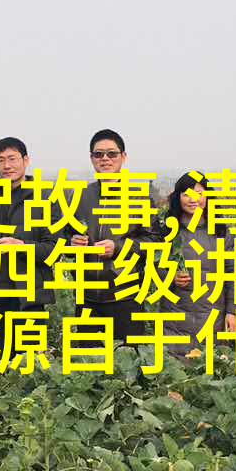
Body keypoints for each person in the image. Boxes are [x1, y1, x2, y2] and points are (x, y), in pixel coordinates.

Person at [0, 136, 58, 350]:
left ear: (26, 160)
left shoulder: (45, 199)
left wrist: (20, 246)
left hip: (28, 298)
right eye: (1, 160)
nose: (7, 166)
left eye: (12, 159)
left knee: (29, 363)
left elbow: (53, 250)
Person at [72, 129, 157, 344]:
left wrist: (118, 247)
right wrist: (72, 242)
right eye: (98, 154)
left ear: (123, 156)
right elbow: (65, 236)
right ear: (91, 158)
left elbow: (154, 242)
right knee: (88, 361)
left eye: (112, 153)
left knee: (127, 360)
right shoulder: (79, 196)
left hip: (125, 298)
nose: (105, 159)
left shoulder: (139, 199)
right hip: (87, 299)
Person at [158, 172, 236, 357]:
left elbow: (233, 273)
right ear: (178, 198)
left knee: (210, 367)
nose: (193, 199)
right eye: (187, 194)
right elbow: (153, 266)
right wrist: (171, 276)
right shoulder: (167, 232)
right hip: (175, 318)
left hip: (213, 316)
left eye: (199, 193)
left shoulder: (222, 232)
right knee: (176, 370)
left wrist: (232, 311)